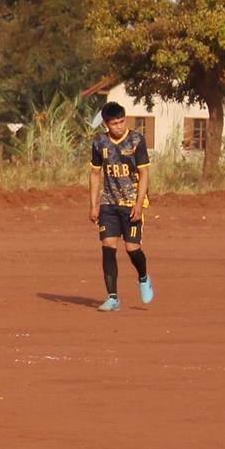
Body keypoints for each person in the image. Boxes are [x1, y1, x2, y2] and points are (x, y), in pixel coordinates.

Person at [89, 101, 155, 311]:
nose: (119, 126)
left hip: (131, 203)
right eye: (114, 123)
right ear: (106, 124)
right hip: (109, 202)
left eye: (122, 121)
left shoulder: (136, 140)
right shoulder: (99, 142)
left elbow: (144, 174)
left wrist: (139, 204)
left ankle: (143, 277)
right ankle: (113, 297)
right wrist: (93, 205)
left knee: (132, 250)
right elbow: (95, 174)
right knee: (108, 248)